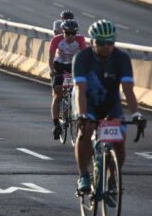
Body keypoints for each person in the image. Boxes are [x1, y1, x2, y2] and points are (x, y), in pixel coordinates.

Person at [73, 19, 146, 194]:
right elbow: (80, 90)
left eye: (110, 42)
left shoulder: (121, 58)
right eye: (101, 42)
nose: (106, 46)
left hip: (111, 104)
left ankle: (113, 176)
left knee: (119, 140)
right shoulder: (82, 58)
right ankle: (83, 174)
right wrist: (82, 115)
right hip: (88, 103)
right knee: (86, 130)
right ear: (92, 42)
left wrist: (136, 113)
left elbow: (128, 90)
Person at [49, 20, 86, 140]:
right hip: (59, 66)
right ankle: (56, 124)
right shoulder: (56, 39)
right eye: (67, 33)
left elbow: (85, 56)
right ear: (62, 32)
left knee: (79, 91)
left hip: (73, 66)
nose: (70, 36)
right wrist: (52, 70)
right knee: (57, 94)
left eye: (73, 33)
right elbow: (50, 57)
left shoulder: (80, 40)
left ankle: (76, 112)